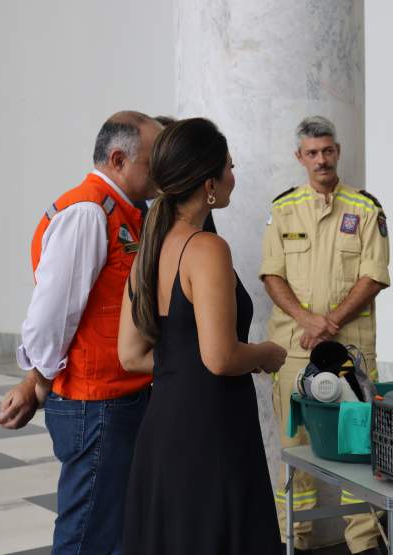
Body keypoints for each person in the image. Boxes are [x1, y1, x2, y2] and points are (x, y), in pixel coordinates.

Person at [0, 111, 161, 554]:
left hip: (117, 398)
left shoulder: (127, 213)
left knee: (114, 531)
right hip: (95, 405)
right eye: (153, 159)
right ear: (120, 159)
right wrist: (38, 380)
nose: (161, 170)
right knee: (87, 537)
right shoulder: (88, 213)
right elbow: (51, 315)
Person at [118, 118, 284, 554]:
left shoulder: (148, 249)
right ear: (208, 183)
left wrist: (182, 363)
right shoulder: (206, 248)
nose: (234, 175)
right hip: (210, 428)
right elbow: (220, 357)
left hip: (163, 427)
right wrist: (267, 352)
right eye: (229, 166)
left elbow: (130, 355)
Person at [260, 115, 390, 553]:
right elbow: (272, 275)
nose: (322, 160)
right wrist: (307, 319)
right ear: (300, 157)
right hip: (295, 349)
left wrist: (329, 321)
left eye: (328, 151)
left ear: (338, 152)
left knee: (358, 446)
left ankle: (364, 542)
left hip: (351, 348)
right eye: (312, 153)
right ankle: (291, 538)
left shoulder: (366, 209)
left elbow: (374, 275)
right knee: (295, 449)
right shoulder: (282, 209)